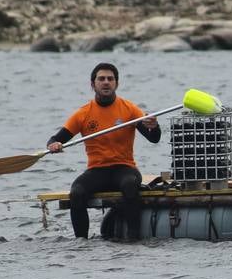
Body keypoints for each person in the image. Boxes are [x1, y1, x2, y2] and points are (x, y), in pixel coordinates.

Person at [47, 62, 161, 239]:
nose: (106, 82)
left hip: (124, 169)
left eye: (110, 79)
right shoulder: (82, 114)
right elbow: (56, 139)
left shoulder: (130, 109)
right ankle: (81, 242)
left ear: (117, 84)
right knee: (76, 192)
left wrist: (154, 126)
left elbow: (154, 138)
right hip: (97, 170)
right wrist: (53, 145)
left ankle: (133, 238)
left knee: (130, 185)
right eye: (101, 79)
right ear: (93, 85)